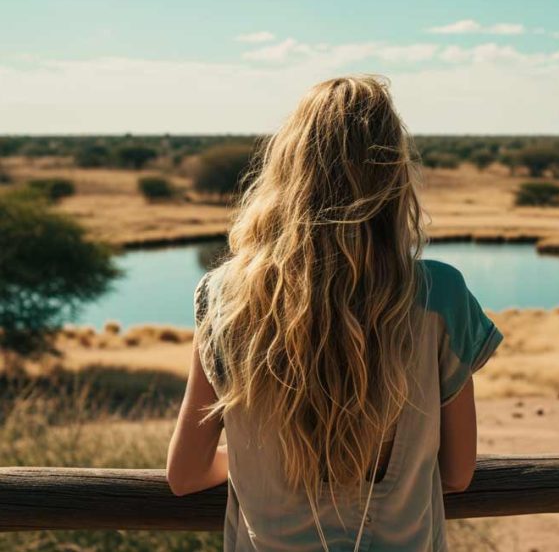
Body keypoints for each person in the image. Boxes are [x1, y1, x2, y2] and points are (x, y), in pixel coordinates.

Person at [166, 75, 502, 551]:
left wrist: (250, 461)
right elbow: (458, 472)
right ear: (393, 177)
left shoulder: (225, 298)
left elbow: (185, 475)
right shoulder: (440, 295)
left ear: (285, 172)